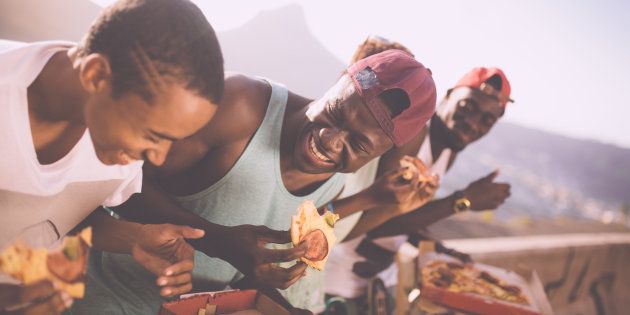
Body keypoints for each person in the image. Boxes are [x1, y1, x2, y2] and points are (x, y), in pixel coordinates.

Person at [71, 49, 438, 314]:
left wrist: (268, 292)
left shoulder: (337, 181)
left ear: (377, 156)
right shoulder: (241, 107)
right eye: (337, 112)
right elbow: (116, 182)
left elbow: (236, 271)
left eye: (357, 144)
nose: (330, 140)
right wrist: (215, 239)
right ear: (338, 81)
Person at [0, 0, 224, 313]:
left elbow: (63, 213)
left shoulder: (119, 148)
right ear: (95, 75)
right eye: (153, 136)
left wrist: (134, 238)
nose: (157, 158)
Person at [324, 36, 513, 314]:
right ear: (448, 96)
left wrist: (436, 247)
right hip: (333, 282)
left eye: (487, 120)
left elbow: (402, 215)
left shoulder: (448, 150)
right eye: (467, 107)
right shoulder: (412, 135)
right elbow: (374, 221)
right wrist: (462, 201)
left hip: (370, 285)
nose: (473, 124)